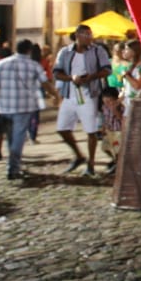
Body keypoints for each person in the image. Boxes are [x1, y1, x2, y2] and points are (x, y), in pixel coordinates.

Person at [52, 25, 112, 175]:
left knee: (91, 130)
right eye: (85, 34)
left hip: (89, 94)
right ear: (77, 35)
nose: (89, 37)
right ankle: (79, 155)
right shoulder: (65, 52)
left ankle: (91, 164)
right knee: (62, 128)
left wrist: (91, 77)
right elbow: (56, 72)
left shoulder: (97, 51)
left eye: (90, 34)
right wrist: (71, 78)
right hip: (70, 93)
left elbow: (107, 69)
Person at [0, 39, 50, 181]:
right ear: (29, 50)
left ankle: (14, 164)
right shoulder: (33, 65)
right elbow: (45, 83)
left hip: (4, 107)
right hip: (24, 107)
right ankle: (13, 168)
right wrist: (56, 96)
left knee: (10, 138)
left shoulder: (1, 64)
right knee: (19, 138)